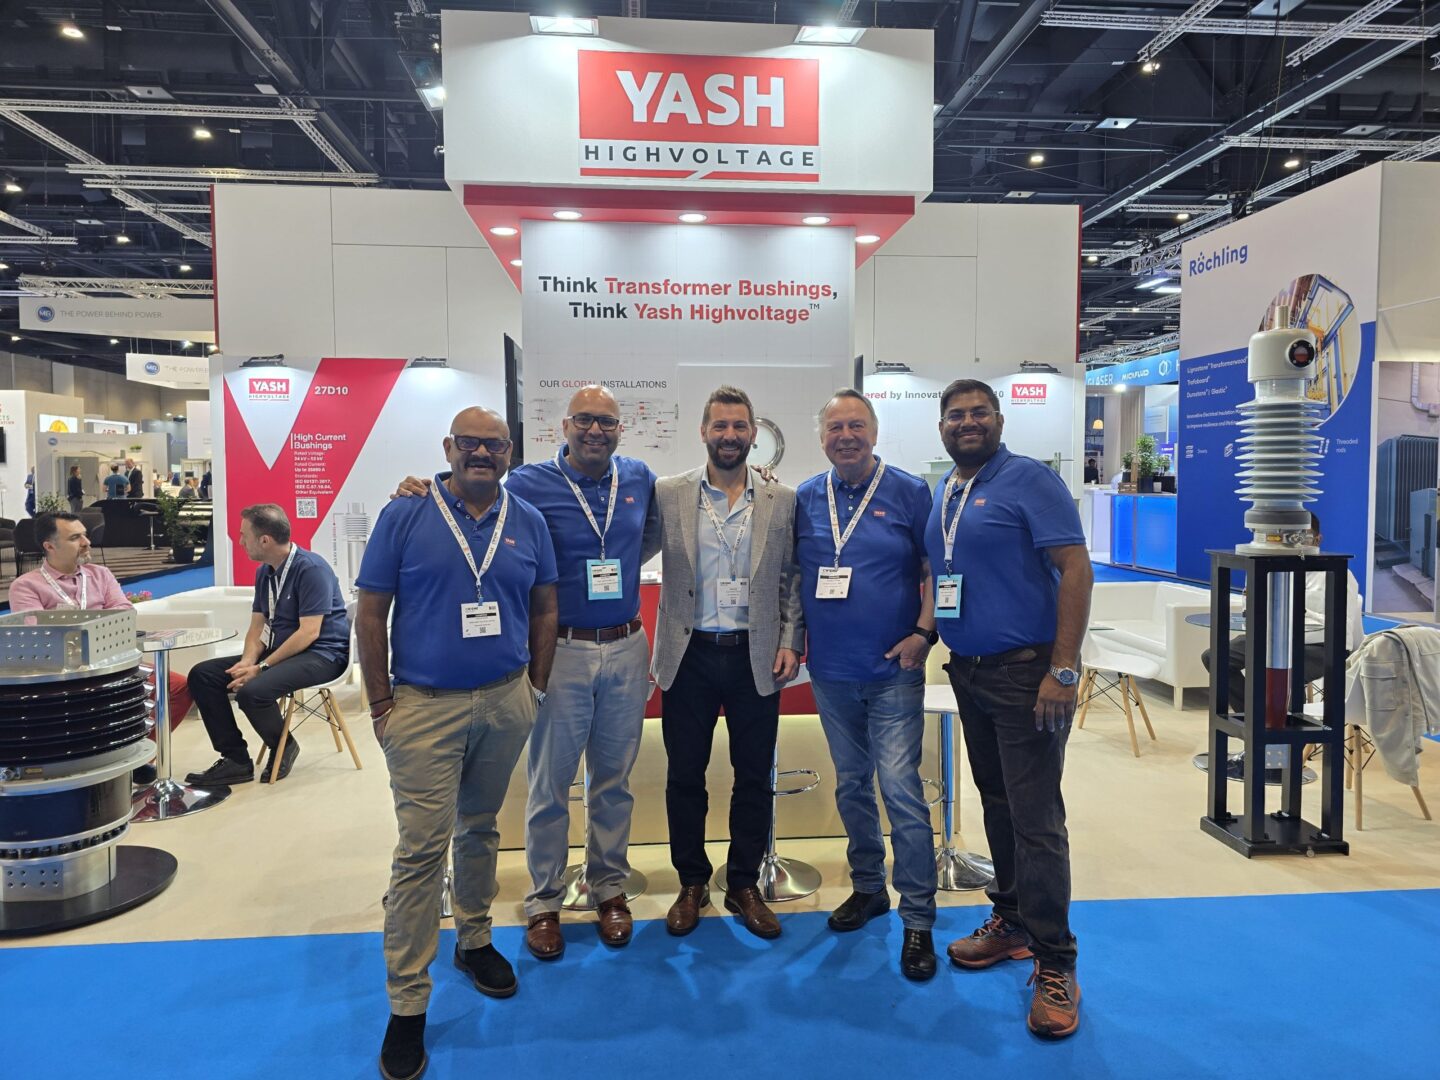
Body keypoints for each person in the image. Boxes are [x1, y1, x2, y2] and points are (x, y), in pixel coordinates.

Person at [389, 385, 661, 959]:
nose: (595, 430)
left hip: (627, 645)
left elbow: (652, 537)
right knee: (550, 783)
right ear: (564, 427)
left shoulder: (638, 478)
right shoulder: (529, 483)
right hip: (562, 652)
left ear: (620, 430)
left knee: (613, 781)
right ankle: (544, 901)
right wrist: (420, 487)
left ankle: (608, 887)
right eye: (583, 419)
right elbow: (471, 497)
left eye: (606, 422)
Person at [358, 407, 557, 1080]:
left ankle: (473, 938)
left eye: (493, 444)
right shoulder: (406, 513)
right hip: (423, 705)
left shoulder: (527, 520)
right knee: (421, 851)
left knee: (481, 828)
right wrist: (380, 702)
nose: (481, 453)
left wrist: (535, 687)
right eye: (468, 442)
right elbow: (371, 610)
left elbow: (545, 605)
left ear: (509, 452)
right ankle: (407, 1003)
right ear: (448, 447)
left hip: (505, 699)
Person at [924, 378, 1092, 1040]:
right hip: (971, 673)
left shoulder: (1030, 481)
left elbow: (1075, 569)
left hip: (1029, 676)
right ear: (942, 426)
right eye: (955, 415)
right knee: (997, 804)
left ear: (998, 419)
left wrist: (1063, 668)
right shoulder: (949, 490)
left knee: (1037, 820)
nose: (966, 423)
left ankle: (1056, 963)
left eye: (978, 413)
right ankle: (1014, 919)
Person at [794, 389, 940, 980]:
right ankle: (868, 888)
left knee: (900, 790)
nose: (846, 436)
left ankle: (918, 918)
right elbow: (793, 578)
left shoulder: (909, 491)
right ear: (822, 438)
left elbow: (936, 570)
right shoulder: (806, 497)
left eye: (856, 425)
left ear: (874, 432)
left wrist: (924, 634)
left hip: (893, 672)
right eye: (835, 427)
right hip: (831, 672)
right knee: (852, 785)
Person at [651, 385, 804, 941]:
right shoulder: (668, 493)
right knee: (684, 776)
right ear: (703, 431)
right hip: (688, 654)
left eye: (740, 426)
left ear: (753, 434)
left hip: (754, 656)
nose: (730, 435)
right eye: (721, 425)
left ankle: (743, 883)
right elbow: (616, 535)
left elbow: (791, 576)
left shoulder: (781, 499)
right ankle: (692, 882)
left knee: (753, 777)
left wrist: (791, 638)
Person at [8, 512, 194, 781]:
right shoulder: (26, 586)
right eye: (75, 537)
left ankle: (134, 756)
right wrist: (97, 623)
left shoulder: (100, 574)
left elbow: (124, 612)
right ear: (50, 546)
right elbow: (40, 634)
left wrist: (75, 625)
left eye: (85, 535)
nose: (86, 542)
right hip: (64, 674)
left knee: (178, 687)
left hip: (114, 662)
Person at [184, 504, 351, 787]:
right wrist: (248, 661)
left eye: (244, 535)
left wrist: (261, 668)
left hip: (322, 654)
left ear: (264, 540)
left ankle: (283, 745)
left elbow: (309, 633)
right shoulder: (265, 572)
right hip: (281, 653)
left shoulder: (311, 569)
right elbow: (257, 626)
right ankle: (236, 759)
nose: (240, 541)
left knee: (253, 692)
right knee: (203, 675)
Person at [1201, 512, 1365, 713]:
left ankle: (1282, 725)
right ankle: (1255, 718)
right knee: (1216, 657)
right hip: (1272, 639)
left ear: (1317, 539)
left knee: (1280, 670)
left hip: (1320, 646)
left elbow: (1338, 627)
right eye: (1288, 537)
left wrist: (1294, 619)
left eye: (1301, 536)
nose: (1294, 543)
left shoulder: (1338, 574)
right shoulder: (1274, 570)